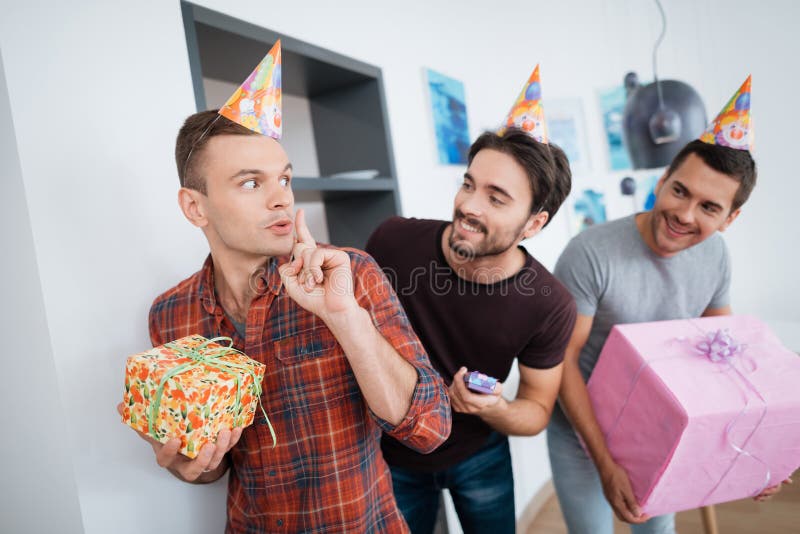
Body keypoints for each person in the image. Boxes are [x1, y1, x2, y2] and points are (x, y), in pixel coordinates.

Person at [118, 109, 451, 533]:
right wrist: (187, 465)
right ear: (194, 207)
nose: (282, 199)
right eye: (251, 182)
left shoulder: (349, 275)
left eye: (285, 179)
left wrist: (344, 317)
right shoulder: (170, 314)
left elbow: (431, 430)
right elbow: (211, 466)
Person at [548, 76, 787, 534]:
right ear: (663, 180)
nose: (685, 214)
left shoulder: (716, 254)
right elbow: (563, 360)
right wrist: (604, 461)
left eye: (709, 207)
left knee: (655, 531)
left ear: (730, 218)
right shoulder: (590, 252)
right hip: (582, 427)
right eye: (680, 191)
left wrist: (753, 454)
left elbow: (725, 358)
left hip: (659, 424)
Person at [366, 116, 576, 531]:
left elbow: (536, 411)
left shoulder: (550, 305)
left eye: (496, 198)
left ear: (534, 223)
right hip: (391, 453)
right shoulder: (391, 242)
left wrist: (494, 408)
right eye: (468, 184)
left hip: (480, 455)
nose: (468, 206)